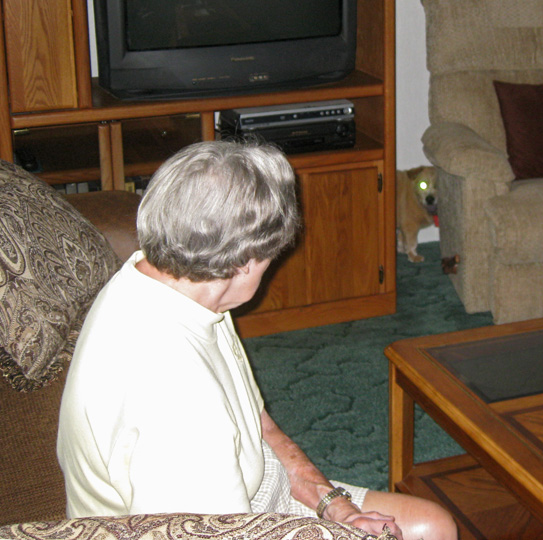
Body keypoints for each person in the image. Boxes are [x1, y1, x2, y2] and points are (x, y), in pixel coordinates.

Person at [57, 141, 457, 540]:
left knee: (432, 526)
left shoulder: (185, 280)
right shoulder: (175, 400)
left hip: (254, 492)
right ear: (244, 262)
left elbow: (259, 425)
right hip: (218, 526)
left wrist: (335, 507)